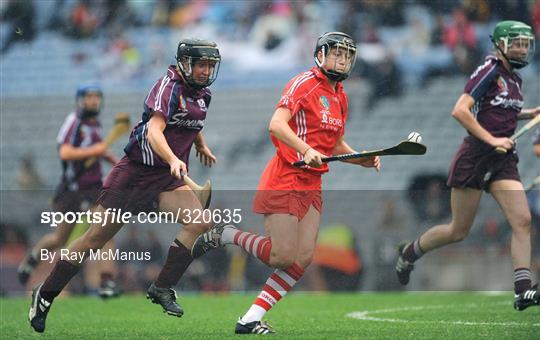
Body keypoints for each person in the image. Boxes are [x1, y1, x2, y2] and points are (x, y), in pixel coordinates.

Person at [191, 32, 380, 334]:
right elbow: (276, 124)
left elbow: (334, 143)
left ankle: (250, 318)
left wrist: (361, 158)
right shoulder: (303, 83)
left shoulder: (340, 96)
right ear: (320, 55)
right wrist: (305, 150)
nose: (342, 60)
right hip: (286, 176)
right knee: (281, 256)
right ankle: (226, 235)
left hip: (312, 183)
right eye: (337, 53)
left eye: (347, 55)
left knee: (302, 259)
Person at [28, 38, 221, 333]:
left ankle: (162, 288)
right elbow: (155, 129)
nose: (206, 71)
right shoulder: (168, 87)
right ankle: (45, 293)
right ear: (185, 63)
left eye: (210, 65)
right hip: (134, 177)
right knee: (93, 241)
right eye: (201, 65)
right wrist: (172, 157)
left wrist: (201, 145)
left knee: (200, 223)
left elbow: (192, 123)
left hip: (165, 181)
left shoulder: (203, 94)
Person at [395, 20, 540, 311]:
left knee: (522, 221)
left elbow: (499, 111)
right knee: (457, 230)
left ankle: (522, 291)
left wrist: (528, 114)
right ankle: (409, 253)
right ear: (500, 44)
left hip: (502, 161)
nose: (522, 50)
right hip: (475, 156)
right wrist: (491, 139)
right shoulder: (489, 70)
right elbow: (460, 110)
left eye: (526, 44)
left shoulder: (515, 80)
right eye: (516, 43)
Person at [18, 84, 121, 298]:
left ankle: (106, 282)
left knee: (105, 232)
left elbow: (98, 149)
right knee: (59, 239)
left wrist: (113, 161)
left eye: (96, 97)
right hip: (73, 189)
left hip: (94, 188)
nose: (93, 101)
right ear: (80, 100)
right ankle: (32, 259)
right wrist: (97, 150)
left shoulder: (96, 125)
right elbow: (65, 152)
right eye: (89, 97)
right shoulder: (73, 122)